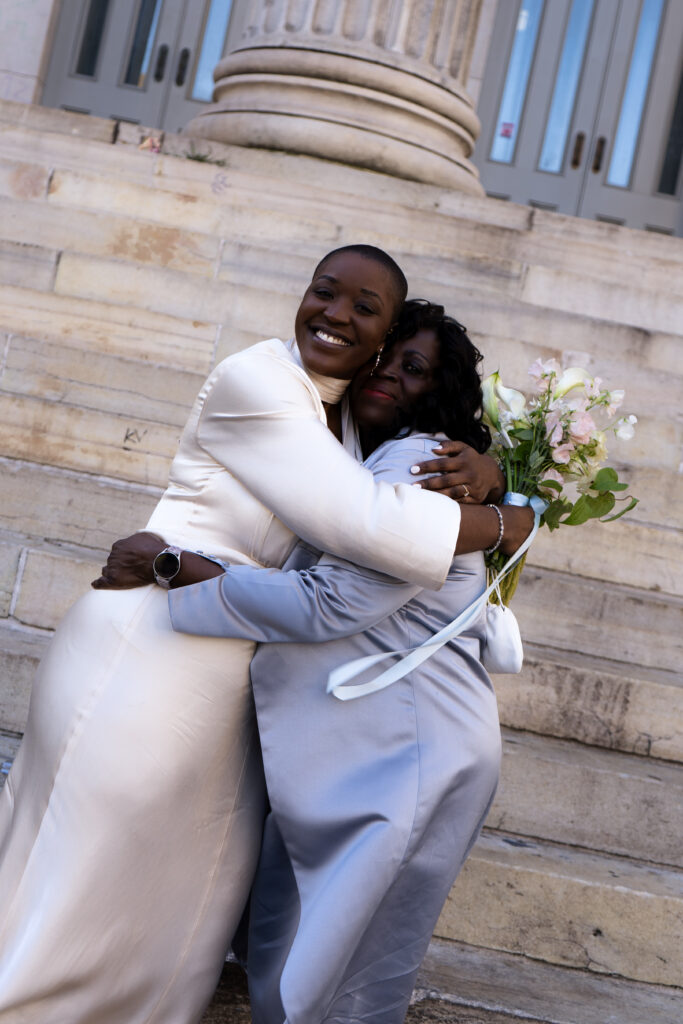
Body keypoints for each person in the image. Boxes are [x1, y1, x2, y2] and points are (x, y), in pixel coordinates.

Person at [0, 248, 525, 1024]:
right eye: (323, 292)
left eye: (364, 307)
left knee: (164, 924)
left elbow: (391, 493)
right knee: (74, 886)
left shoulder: (348, 414)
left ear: (382, 340)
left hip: (225, 678)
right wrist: (511, 520)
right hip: (148, 638)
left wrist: (499, 484)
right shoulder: (258, 380)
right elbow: (366, 524)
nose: (336, 314)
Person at [169, 300, 515, 1024]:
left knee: (320, 975)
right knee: (334, 962)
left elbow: (333, 602)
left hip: (401, 746)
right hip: (398, 743)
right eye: (384, 357)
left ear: (440, 391)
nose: (386, 373)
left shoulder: (422, 462)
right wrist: (519, 503)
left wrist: (178, 569)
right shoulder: (378, 456)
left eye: (411, 368)